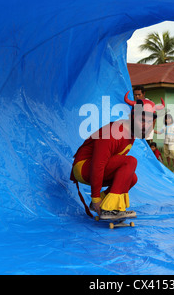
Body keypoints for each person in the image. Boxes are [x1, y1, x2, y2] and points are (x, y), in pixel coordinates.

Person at [70, 91, 165, 220]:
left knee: (132, 178)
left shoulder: (131, 133)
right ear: (132, 117)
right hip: (83, 168)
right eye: (142, 120)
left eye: (150, 122)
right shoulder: (114, 132)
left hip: (97, 167)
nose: (146, 126)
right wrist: (95, 197)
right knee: (130, 161)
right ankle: (109, 208)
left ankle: (106, 203)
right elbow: (98, 164)